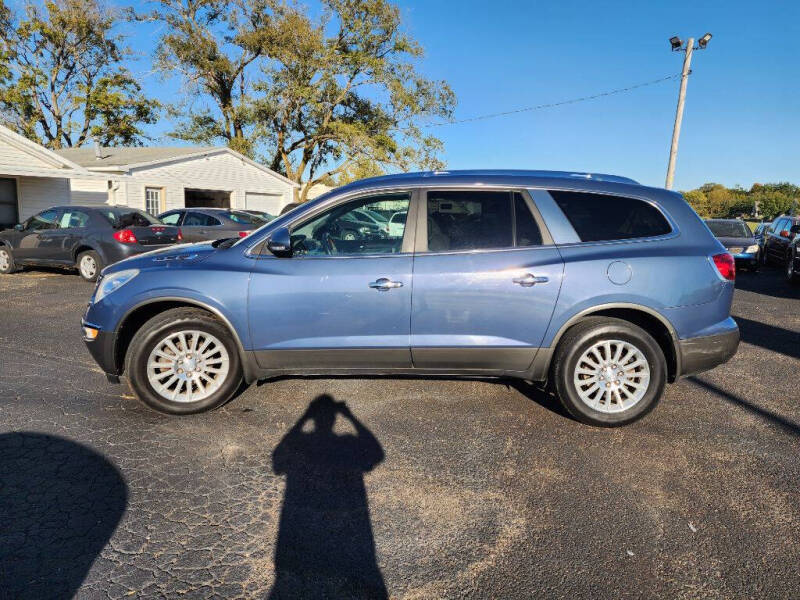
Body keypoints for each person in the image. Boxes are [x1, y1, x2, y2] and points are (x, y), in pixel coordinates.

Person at [269, 395, 387, 599]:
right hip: (346, 520)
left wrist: (304, 417)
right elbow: (376, 453)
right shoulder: (347, 442)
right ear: (335, 419)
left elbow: (278, 462)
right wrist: (350, 417)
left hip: (303, 522)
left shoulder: (303, 441)